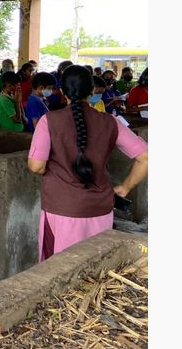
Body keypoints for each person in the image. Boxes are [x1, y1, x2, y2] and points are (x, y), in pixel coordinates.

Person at [27, 66, 148, 261]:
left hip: (61, 207)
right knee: (95, 267)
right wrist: (125, 187)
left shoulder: (49, 121)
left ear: (62, 92)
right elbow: (146, 157)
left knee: (58, 271)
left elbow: (36, 166)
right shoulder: (110, 121)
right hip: (101, 208)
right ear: (91, 91)